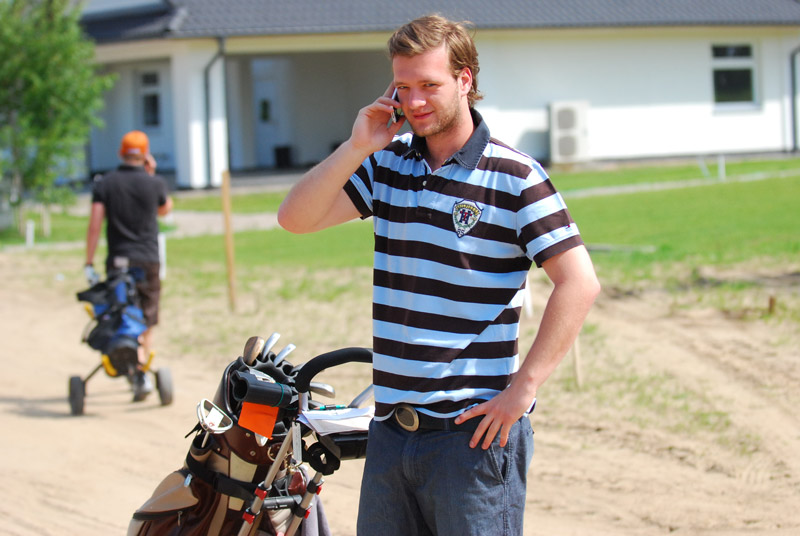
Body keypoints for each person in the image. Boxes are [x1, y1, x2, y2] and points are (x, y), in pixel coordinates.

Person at [278, 14, 600, 536]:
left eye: (430, 84)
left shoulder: (515, 176)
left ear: (465, 80)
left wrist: (523, 389)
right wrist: (358, 145)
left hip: (470, 441)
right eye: (403, 87)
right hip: (388, 432)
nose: (415, 100)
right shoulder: (387, 166)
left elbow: (580, 282)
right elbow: (295, 218)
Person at [85, 130, 173, 401]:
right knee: (146, 317)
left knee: (122, 310)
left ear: (120, 153)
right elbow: (165, 209)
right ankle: (142, 369)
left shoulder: (106, 183)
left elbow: (96, 223)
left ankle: (131, 369)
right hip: (148, 260)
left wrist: (88, 261)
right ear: (145, 155)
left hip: (119, 261)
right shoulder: (154, 182)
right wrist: (150, 173)